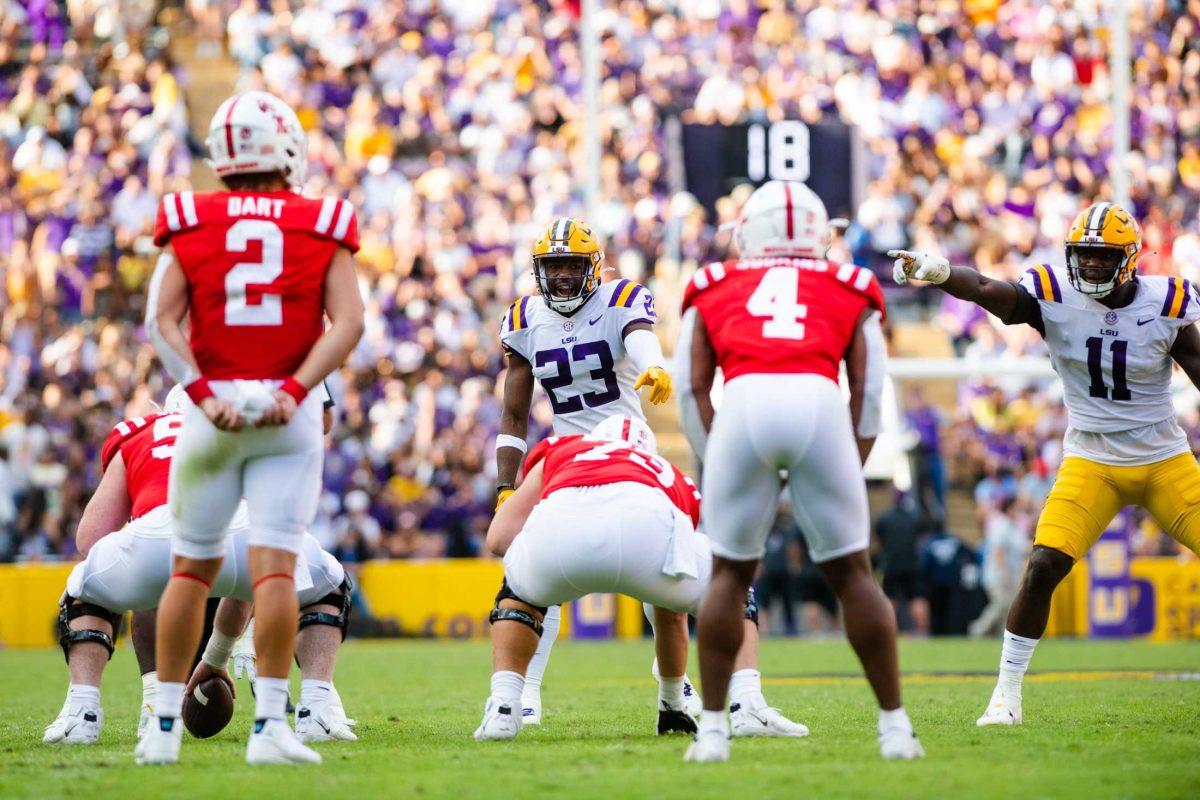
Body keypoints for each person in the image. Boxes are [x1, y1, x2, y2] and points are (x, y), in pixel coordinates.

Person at [890, 200, 1200, 726]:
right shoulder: (1054, 292)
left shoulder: (1167, 300)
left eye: (1103, 258)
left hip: (1162, 457)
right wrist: (939, 272)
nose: (1091, 267)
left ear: (1129, 259)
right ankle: (1005, 696)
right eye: (1084, 256)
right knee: (1042, 567)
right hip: (1092, 457)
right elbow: (992, 292)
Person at [140, 90, 365, 765]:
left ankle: (159, 733)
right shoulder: (321, 218)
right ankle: (270, 729)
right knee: (272, 571)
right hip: (284, 409)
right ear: (286, 148)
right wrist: (296, 389)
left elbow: (161, 321)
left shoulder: (188, 215)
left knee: (190, 570)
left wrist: (203, 395)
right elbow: (349, 323)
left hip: (212, 410)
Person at [677, 180, 922, 762]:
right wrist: (852, 457)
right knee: (854, 575)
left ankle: (712, 733)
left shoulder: (714, 283)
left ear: (747, 232)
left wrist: (718, 454)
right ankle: (894, 728)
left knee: (729, 577)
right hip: (818, 402)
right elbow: (868, 385)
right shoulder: (850, 283)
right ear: (818, 234)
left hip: (743, 402)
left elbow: (691, 386)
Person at [43, 388, 355, 747]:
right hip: (240, 528)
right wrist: (218, 655)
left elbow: (90, 540)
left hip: (156, 530)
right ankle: (316, 709)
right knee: (329, 582)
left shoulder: (138, 430)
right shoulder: (245, 429)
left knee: (84, 587)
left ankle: (86, 712)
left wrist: (137, 547)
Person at [473, 415, 807, 741]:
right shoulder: (668, 472)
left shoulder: (564, 447)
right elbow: (676, 583)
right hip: (645, 527)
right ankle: (736, 703)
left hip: (562, 528)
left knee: (516, 591)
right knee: (730, 586)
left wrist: (533, 572)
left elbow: (497, 539)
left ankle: (503, 707)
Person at [494, 217, 680, 725]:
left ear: (592, 266)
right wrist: (506, 487)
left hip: (627, 442)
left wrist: (655, 365)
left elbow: (640, 336)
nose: (561, 278)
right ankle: (525, 692)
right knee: (526, 560)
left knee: (662, 566)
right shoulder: (523, 318)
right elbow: (513, 415)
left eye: (571, 267)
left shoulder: (620, 299)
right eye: (552, 267)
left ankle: (675, 687)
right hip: (566, 449)